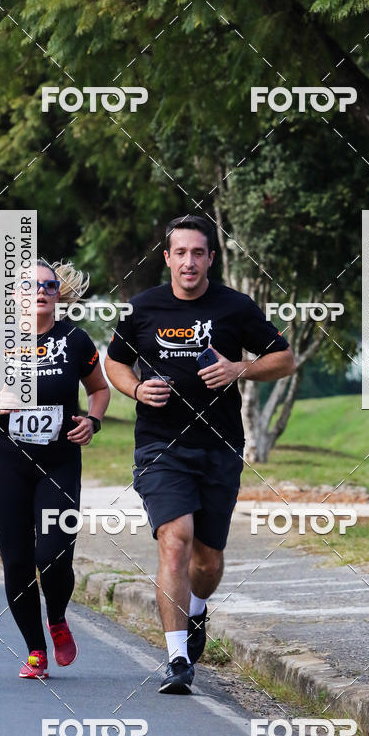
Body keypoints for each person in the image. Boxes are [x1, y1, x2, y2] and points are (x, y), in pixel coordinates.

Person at [105, 216, 296, 694]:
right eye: (180, 253)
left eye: (197, 253)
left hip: (220, 447)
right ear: (167, 258)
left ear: (211, 258)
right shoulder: (141, 308)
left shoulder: (235, 307)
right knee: (176, 539)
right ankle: (177, 659)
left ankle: (195, 608)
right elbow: (115, 362)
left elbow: (284, 359)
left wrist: (239, 369)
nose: (188, 261)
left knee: (207, 562)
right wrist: (135, 389)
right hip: (160, 445)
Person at [0, 260, 110, 679]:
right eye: (31, 285)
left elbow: (99, 390)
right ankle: (35, 650)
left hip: (59, 462)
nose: (40, 291)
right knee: (18, 561)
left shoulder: (75, 340)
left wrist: (93, 421)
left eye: (48, 285)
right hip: (7, 464)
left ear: (58, 294)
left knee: (54, 554)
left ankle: (57, 617)